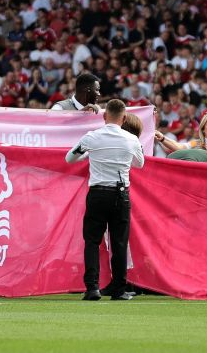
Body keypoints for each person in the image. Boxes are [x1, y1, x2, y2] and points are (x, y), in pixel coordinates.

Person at [65, 99, 144, 301]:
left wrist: (88, 155)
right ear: (124, 118)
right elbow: (140, 164)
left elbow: (70, 158)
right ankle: (118, 289)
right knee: (119, 242)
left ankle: (92, 288)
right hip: (120, 194)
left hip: (98, 193)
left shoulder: (92, 137)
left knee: (92, 241)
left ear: (104, 116)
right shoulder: (131, 139)